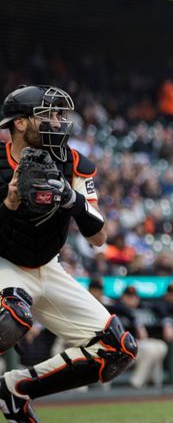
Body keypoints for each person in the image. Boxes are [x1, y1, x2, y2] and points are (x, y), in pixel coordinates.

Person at [0, 85, 137, 422]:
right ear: (20, 123)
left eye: (60, 114)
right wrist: (9, 203)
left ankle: (15, 388)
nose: (60, 122)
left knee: (117, 349)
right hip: (3, 261)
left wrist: (71, 200)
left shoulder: (74, 162)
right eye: (49, 115)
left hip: (47, 266)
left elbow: (99, 237)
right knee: (12, 316)